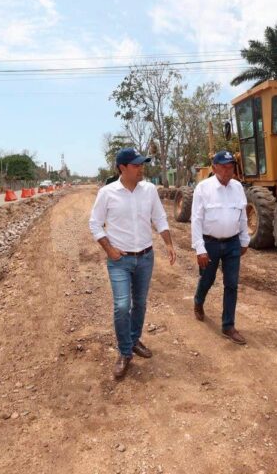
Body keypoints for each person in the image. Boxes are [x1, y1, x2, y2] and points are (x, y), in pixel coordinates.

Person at [89, 147, 177, 379]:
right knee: (121, 305)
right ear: (122, 168)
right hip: (120, 260)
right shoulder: (107, 193)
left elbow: (159, 217)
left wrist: (168, 243)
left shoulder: (149, 190)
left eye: (141, 165)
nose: (141, 169)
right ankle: (125, 352)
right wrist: (109, 249)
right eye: (136, 165)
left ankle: (134, 339)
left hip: (146, 257)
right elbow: (95, 224)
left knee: (140, 303)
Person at [191, 150, 250, 345]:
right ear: (215, 167)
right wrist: (200, 248)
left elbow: (242, 215)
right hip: (210, 243)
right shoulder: (203, 188)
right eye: (223, 166)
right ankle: (199, 301)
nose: (228, 170)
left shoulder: (238, 187)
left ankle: (228, 326)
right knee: (207, 278)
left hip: (233, 243)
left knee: (231, 284)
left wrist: (244, 239)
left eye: (231, 166)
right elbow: (196, 220)